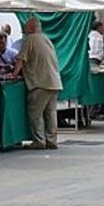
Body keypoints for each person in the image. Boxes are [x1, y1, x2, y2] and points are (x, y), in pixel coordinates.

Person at [11, 16, 63, 150]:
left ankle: (39, 140)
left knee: (36, 113)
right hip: (54, 81)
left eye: (26, 26)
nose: (24, 29)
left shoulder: (30, 39)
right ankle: (51, 140)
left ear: (31, 28)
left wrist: (13, 74)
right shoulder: (46, 38)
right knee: (51, 113)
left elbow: (21, 60)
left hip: (40, 83)